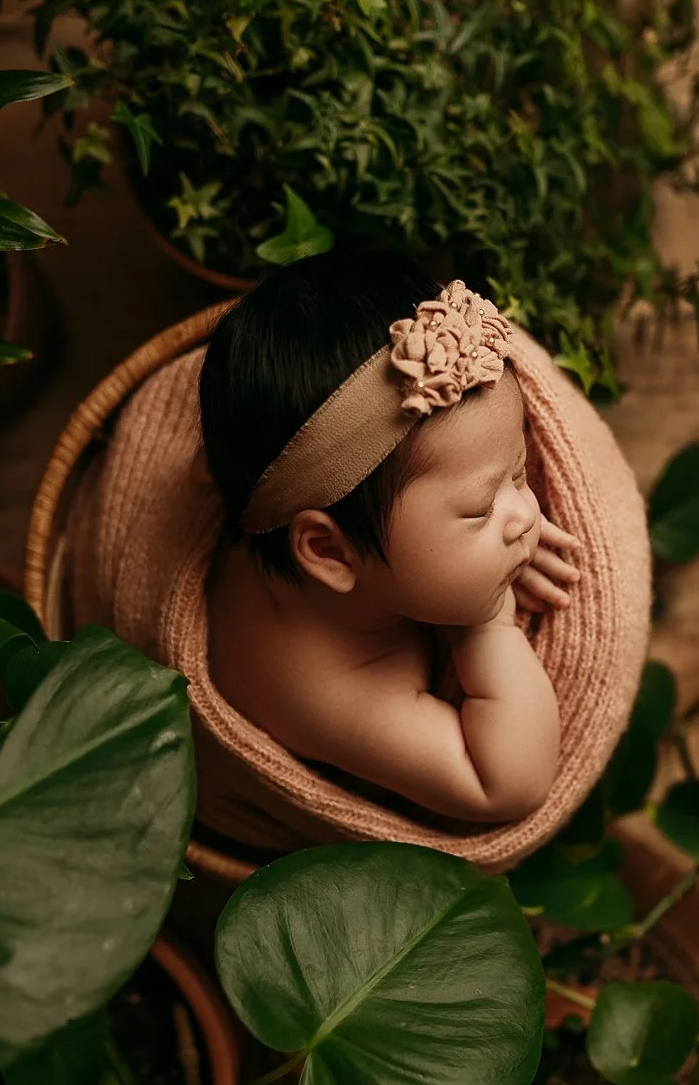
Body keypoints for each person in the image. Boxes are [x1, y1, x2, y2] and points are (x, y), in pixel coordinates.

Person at [199, 246, 581, 824]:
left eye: (519, 473)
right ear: (330, 551)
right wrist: (488, 625)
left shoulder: (334, 523)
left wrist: (490, 509)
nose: (526, 515)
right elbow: (505, 785)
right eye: (481, 509)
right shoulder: (326, 688)